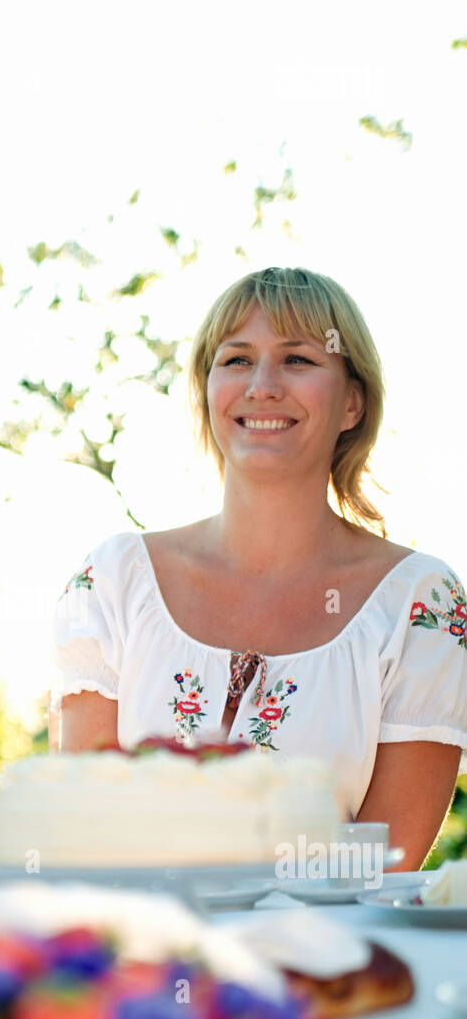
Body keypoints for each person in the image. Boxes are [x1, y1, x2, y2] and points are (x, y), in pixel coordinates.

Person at [53, 266, 467, 870]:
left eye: (298, 359)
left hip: (326, 960)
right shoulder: (113, 580)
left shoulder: (421, 603)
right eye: (237, 359)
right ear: (209, 390)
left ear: (352, 402)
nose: (263, 386)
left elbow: (385, 869)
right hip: (144, 955)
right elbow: (85, 837)